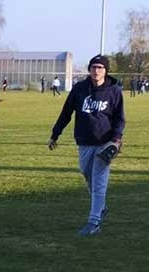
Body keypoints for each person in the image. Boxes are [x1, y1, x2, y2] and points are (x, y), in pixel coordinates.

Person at [48, 54, 125, 237]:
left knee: (99, 181)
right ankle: (101, 206)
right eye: (93, 67)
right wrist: (55, 134)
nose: (96, 71)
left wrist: (116, 139)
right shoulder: (80, 89)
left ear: (106, 71)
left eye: (100, 68)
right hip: (84, 141)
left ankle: (94, 222)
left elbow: (119, 118)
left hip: (104, 142)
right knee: (86, 173)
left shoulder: (113, 91)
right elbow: (66, 113)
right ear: (89, 70)